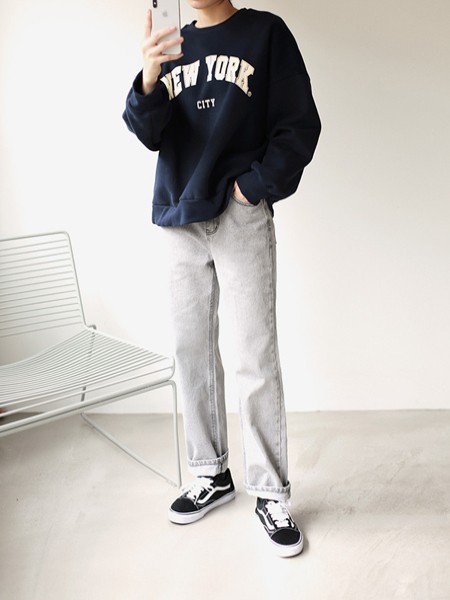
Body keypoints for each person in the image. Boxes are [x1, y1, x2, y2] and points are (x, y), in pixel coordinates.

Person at [123, 0, 321, 558]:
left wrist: (253, 189)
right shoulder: (172, 44)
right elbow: (148, 132)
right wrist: (149, 75)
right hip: (178, 217)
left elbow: (299, 124)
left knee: (253, 353)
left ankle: (270, 491)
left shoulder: (266, 33)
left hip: (238, 215)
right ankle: (211, 473)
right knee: (192, 351)